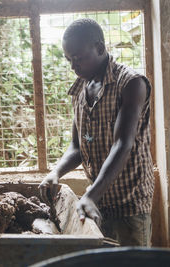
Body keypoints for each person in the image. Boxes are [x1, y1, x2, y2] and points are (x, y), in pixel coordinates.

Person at [39, 18, 154, 246]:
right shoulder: (81, 89)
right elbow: (78, 147)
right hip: (98, 201)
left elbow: (123, 144)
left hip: (128, 203)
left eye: (79, 58)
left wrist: (91, 195)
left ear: (100, 48)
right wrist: (56, 172)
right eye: (69, 59)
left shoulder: (131, 84)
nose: (73, 66)